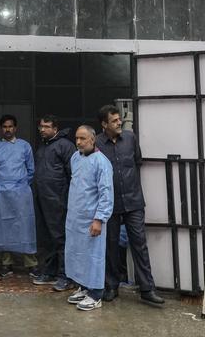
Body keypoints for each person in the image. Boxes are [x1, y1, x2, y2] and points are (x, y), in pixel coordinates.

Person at [97, 104, 165, 306]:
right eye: (114, 121)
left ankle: (147, 289)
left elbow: (138, 162)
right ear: (104, 124)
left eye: (119, 119)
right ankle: (111, 286)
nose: (119, 123)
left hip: (134, 201)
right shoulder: (98, 143)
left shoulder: (130, 139)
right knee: (110, 246)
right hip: (110, 204)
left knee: (139, 245)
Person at [63, 124, 113, 312]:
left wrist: (99, 219)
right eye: (77, 138)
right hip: (75, 217)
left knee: (93, 256)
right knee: (77, 254)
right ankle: (84, 287)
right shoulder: (75, 158)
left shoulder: (102, 162)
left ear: (92, 140)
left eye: (82, 139)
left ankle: (96, 293)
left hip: (92, 219)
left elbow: (106, 193)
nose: (78, 142)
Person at [0, 114, 38, 276]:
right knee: (4, 227)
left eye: (10, 126)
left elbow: (31, 170)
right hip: (1, 193)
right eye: (5, 127)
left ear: (15, 128)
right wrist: (3, 183)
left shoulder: (24, 146)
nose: (7, 129)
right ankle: (6, 263)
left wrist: (20, 184)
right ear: (1, 128)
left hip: (21, 192)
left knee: (25, 226)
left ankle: (31, 263)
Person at [32, 114, 75, 291]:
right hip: (43, 199)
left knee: (61, 238)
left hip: (58, 200)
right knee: (48, 238)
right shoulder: (43, 146)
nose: (42, 129)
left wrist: (66, 200)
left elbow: (73, 175)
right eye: (41, 126)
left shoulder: (65, 146)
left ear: (55, 128)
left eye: (47, 126)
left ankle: (66, 276)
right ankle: (50, 272)